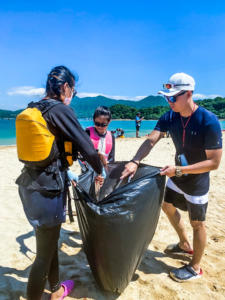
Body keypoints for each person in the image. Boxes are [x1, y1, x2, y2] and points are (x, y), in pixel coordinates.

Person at [121, 72, 222, 282]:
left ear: (189, 94)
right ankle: (184, 244)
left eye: (173, 97)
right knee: (167, 205)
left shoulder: (208, 121)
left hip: (196, 178)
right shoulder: (169, 116)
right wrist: (135, 160)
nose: (169, 101)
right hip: (177, 173)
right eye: (167, 97)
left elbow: (214, 163)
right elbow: (150, 141)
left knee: (198, 223)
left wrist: (178, 170)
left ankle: (195, 268)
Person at [16, 66, 103, 300]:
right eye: (72, 90)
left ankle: (55, 291)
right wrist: (101, 170)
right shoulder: (60, 110)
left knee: (48, 243)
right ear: (65, 87)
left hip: (29, 185)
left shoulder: (34, 108)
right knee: (42, 257)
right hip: (48, 190)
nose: (72, 95)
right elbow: (87, 146)